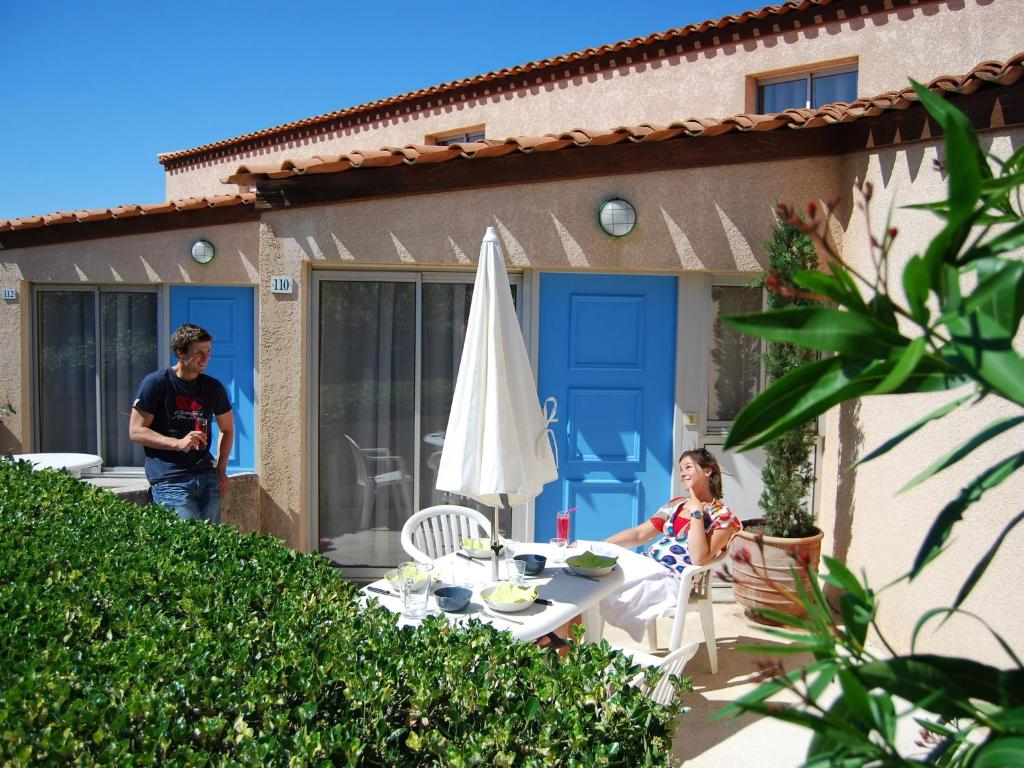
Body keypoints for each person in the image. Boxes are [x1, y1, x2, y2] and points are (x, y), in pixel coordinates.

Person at [129, 323, 234, 523]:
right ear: (180, 352)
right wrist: (177, 443)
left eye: (208, 352)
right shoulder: (157, 383)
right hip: (170, 478)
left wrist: (221, 469)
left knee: (212, 545)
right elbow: (136, 431)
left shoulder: (212, 387)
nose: (206, 358)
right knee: (188, 544)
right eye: (199, 353)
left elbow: (227, 429)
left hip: (205, 476)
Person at [606, 448, 741, 572]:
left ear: (707, 471)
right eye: (681, 470)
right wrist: (600, 546)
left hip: (672, 575)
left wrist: (696, 513)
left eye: (688, 467)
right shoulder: (676, 504)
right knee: (604, 573)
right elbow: (640, 534)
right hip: (649, 564)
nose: (682, 474)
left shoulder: (722, 516)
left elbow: (699, 558)